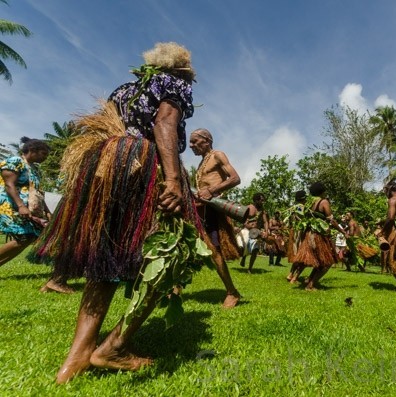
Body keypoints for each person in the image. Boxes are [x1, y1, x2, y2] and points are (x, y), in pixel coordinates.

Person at [33, 42, 200, 383]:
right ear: (182, 67)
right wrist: (172, 179)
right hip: (146, 163)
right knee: (170, 254)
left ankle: (76, 358)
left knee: (105, 255)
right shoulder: (175, 83)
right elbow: (165, 122)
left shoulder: (125, 89)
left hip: (110, 164)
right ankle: (113, 347)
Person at [0, 137, 72, 293]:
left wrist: (46, 210)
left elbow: (37, 191)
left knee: (28, 238)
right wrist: (20, 205)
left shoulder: (34, 168)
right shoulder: (15, 161)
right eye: (43, 153)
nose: (45, 157)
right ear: (31, 150)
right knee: (23, 238)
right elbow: (9, 184)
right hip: (12, 206)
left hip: (30, 208)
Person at [190, 128, 242, 307]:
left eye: (195, 141)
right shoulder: (200, 164)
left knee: (215, 252)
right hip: (200, 211)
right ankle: (174, 289)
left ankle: (232, 292)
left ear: (207, 140)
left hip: (213, 211)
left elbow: (235, 178)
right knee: (187, 247)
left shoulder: (218, 155)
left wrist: (212, 191)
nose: (191, 145)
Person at [294, 181, 345, 291]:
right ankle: (311, 285)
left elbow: (301, 216)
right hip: (319, 236)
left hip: (309, 234)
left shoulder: (308, 202)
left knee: (319, 261)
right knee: (327, 262)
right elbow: (331, 220)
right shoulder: (324, 202)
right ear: (323, 192)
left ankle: (309, 280)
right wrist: (343, 232)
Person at [239, 192, 269, 273]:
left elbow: (265, 221)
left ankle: (250, 268)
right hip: (246, 230)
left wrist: (266, 231)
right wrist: (248, 226)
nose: (263, 202)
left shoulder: (262, 211)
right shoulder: (249, 207)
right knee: (244, 245)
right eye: (261, 200)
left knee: (255, 250)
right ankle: (244, 257)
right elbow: (243, 219)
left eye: (263, 200)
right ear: (256, 200)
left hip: (256, 232)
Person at [286, 190, 307, 283]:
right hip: (299, 232)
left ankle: (290, 274)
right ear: (303, 198)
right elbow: (302, 219)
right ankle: (294, 277)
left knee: (296, 255)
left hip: (293, 232)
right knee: (302, 256)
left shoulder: (292, 208)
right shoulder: (300, 207)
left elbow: (290, 222)